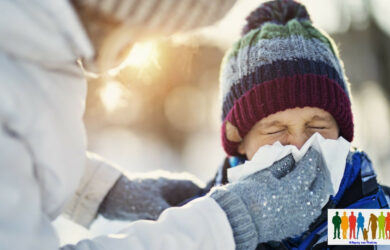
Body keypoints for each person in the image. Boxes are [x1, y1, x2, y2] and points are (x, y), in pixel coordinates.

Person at [198, 0, 390, 249]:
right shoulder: (206, 227)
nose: (300, 145)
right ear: (240, 141)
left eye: (318, 127)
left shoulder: (371, 213)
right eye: (276, 130)